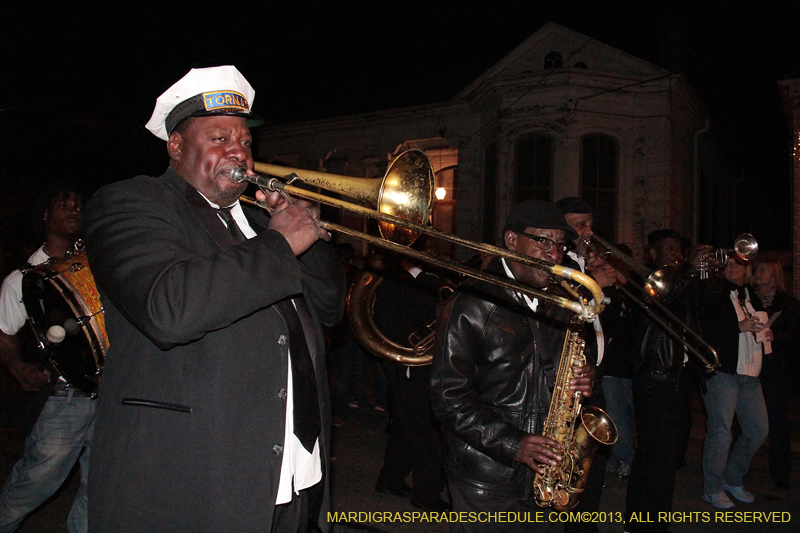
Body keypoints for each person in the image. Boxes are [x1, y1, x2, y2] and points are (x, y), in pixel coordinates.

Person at [82, 66, 345, 532]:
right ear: (177, 146)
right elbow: (170, 308)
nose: (238, 152)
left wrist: (309, 235)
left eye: (244, 140)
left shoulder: (262, 222)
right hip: (193, 475)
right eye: (219, 137)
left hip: (294, 471)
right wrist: (282, 244)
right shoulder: (131, 202)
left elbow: (328, 307)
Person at [430, 200, 596, 533]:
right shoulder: (472, 301)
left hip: (547, 474)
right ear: (511, 241)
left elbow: (567, 363)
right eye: (542, 241)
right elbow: (448, 398)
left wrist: (586, 376)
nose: (553, 254)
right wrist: (513, 443)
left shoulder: (561, 301)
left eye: (560, 245)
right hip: (485, 478)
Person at [0, 185, 94, 533]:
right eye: (63, 204)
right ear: (45, 215)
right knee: (35, 483)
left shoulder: (100, 262)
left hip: (112, 389)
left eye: (79, 204)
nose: (74, 210)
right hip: (63, 395)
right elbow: (4, 332)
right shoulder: (26, 279)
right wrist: (16, 365)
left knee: (98, 485)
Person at [623, 229, 708, 533]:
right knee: (653, 456)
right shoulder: (645, 281)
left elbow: (705, 310)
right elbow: (663, 301)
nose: (675, 254)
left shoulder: (687, 284)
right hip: (654, 377)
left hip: (680, 377)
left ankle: (657, 520)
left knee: (669, 457)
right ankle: (639, 523)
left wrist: (704, 276)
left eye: (679, 250)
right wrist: (690, 272)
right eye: (668, 249)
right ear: (653, 255)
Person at [372, 252, 449, 512]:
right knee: (425, 433)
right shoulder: (399, 283)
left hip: (418, 365)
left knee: (407, 428)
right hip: (410, 366)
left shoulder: (429, 281)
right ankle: (426, 495)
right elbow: (391, 324)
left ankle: (390, 479)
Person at [698, 256, 771, 509]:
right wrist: (737, 326)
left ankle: (732, 478)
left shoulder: (750, 294)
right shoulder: (716, 293)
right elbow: (704, 327)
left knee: (757, 430)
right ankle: (712, 488)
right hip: (724, 371)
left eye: (737, 265)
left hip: (750, 373)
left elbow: (757, 324)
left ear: (746, 270)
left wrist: (766, 333)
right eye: (727, 264)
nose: (731, 268)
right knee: (721, 432)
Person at [752, 258, 800, 490]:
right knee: (746, 421)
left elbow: (795, 337)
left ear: (775, 275)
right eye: (757, 270)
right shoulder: (747, 300)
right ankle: (740, 471)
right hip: (751, 367)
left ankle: (780, 473)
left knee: (777, 423)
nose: (758, 274)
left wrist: (777, 338)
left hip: (775, 371)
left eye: (764, 270)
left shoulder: (788, 305)